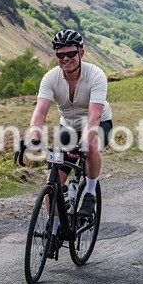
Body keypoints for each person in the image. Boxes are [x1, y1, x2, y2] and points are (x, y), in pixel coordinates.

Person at [27, 29, 113, 234]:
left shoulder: (95, 75)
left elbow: (93, 117)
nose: (66, 59)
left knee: (91, 145)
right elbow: (40, 112)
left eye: (70, 54)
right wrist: (33, 138)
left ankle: (90, 193)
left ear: (80, 54)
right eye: (60, 54)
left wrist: (82, 145)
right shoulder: (50, 78)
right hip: (68, 127)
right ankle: (55, 230)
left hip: (98, 123)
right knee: (53, 182)